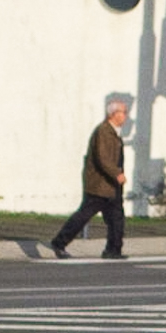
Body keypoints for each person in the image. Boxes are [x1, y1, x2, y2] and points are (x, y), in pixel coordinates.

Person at [51, 100, 129, 259]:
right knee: (83, 216)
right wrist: (116, 173)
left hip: (112, 186)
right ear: (113, 114)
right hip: (100, 185)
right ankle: (59, 242)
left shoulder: (114, 132)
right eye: (123, 112)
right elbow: (103, 158)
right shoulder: (103, 131)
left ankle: (113, 250)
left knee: (116, 219)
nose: (125, 116)